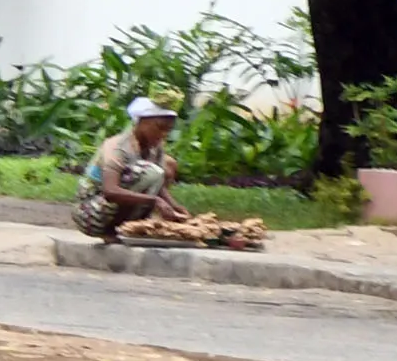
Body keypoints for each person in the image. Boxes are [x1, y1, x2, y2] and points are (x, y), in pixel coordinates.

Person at [75, 98, 268, 249]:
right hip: (91, 212)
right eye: (159, 128)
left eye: (168, 130)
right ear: (142, 122)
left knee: (162, 168)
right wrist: (154, 202)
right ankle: (111, 231)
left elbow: (158, 183)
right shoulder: (118, 147)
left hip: (113, 206)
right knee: (150, 171)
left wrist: (175, 208)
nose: (164, 134)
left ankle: (129, 228)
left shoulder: (154, 147)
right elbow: (110, 191)